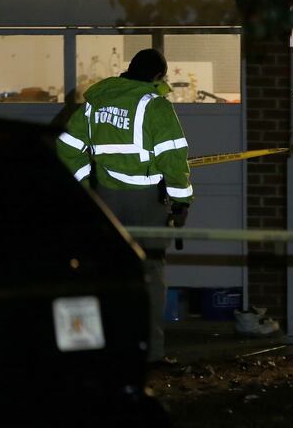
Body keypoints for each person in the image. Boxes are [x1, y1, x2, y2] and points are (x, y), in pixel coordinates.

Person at [56, 48, 193, 364]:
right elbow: (173, 160)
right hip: (146, 203)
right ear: (159, 76)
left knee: (107, 273)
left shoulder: (96, 102)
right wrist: (181, 202)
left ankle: (104, 350)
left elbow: (67, 149)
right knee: (151, 275)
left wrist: (87, 187)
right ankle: (151, 353)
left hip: (106, 200)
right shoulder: (155, 106)